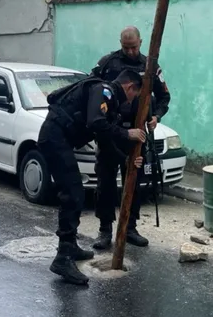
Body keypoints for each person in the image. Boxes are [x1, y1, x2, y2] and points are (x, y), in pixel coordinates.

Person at [39, 68, 146, 285]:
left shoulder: (109, 99)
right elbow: (96, 123)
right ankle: (63, 257)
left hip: (60, 140)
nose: (132, 101)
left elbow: (104, 137)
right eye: (135, 94)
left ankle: (71, 248)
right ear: (129, 87)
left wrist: (126, 160)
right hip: (54, 138)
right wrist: (126, 133)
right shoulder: (104, 90)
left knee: (73, 192)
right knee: (73, 194)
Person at [90, 26, 171, 250]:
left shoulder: (150, 66)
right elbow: (91, 88)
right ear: (120, 43)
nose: (130, 51)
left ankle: (130, 227)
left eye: (134, 47)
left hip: (137, 136)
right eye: (126, 47)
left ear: (141, 42)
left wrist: (156, 116)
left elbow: (164, 96)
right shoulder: (107, 63)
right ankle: (105, 229)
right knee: (105, 183)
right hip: (110, 134)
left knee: (134, 182)